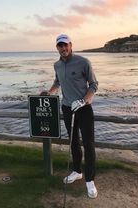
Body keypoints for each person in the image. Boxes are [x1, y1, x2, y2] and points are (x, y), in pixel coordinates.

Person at [41, 34, 98, 198]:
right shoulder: (57, 65)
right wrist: (50, 92)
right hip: (67, 108)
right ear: (57, 48)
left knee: (88, 144)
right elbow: (58, 81)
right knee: (73, 142)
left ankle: (90, 180)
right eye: (60, 46)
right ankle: (77, 171)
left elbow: (94, 84)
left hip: (84, 108)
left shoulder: (83, 62)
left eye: (66, 45)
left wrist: (84, 100)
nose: (63, 48)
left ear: (71, 45)